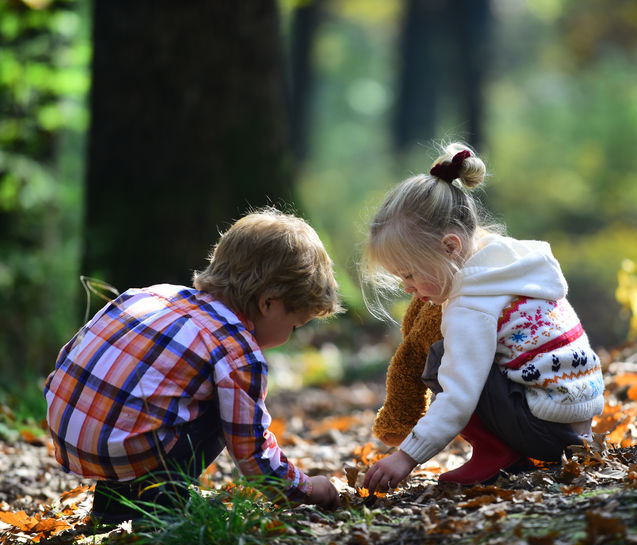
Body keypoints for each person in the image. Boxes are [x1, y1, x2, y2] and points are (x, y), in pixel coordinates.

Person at [44, 207, 344, 523]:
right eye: (295, 324)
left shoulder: (153, 294)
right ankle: (161, 499)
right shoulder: (238, 350)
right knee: (223, 404)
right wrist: (307, 489)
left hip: (65, 433)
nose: (291, 335)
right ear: (268, 303)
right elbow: (252, 453)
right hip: (123, 449)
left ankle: (115, 501)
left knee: (157, 394)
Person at [361, 143, 605, 491]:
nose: (407, 288)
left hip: (548, 432)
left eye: (410, 274)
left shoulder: (471, 305)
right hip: (576, 424)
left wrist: (406, 457)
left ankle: (497, 454)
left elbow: (459, 396)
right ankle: (507, 447)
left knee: (441, 357)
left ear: (450, 247)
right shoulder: (509, 262)